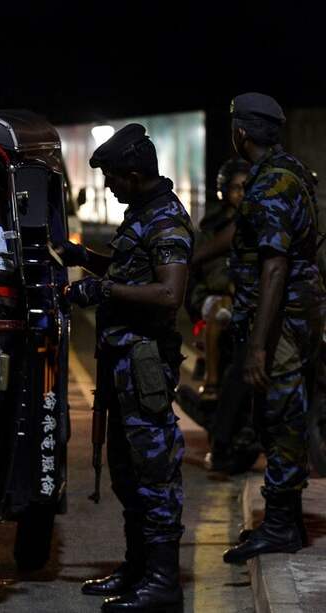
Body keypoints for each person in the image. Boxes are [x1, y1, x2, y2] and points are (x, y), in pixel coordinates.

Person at [59, 124, 192, 612]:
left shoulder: (165, 221)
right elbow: (126, 271)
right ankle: (138, 569)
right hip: (122, 365)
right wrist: (86, 260)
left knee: (154, 472)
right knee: (125, 471)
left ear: (134, 174)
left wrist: (105, 292)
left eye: (113, 177)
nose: (109, 186)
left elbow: (168, 293)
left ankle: (161, 583)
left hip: (145, 365)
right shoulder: (142, 214)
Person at [219, 93, 325, 564]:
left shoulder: (269, 185)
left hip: (282, 321)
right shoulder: (288, 172)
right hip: (295, 315)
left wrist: (259, 346)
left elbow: (274, 267)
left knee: (281, 416)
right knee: (278, 412)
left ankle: (282, 525)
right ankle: (284, 521)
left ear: (241, 133)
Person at [187, 158, 262, 474]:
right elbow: (203, 265)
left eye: (246, 188)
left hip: (247, 301)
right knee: (219, 318)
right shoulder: (216, 227)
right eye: (235, 188)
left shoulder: (259, 222)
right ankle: (213, 382)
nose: (240, 194)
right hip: (218, 298)